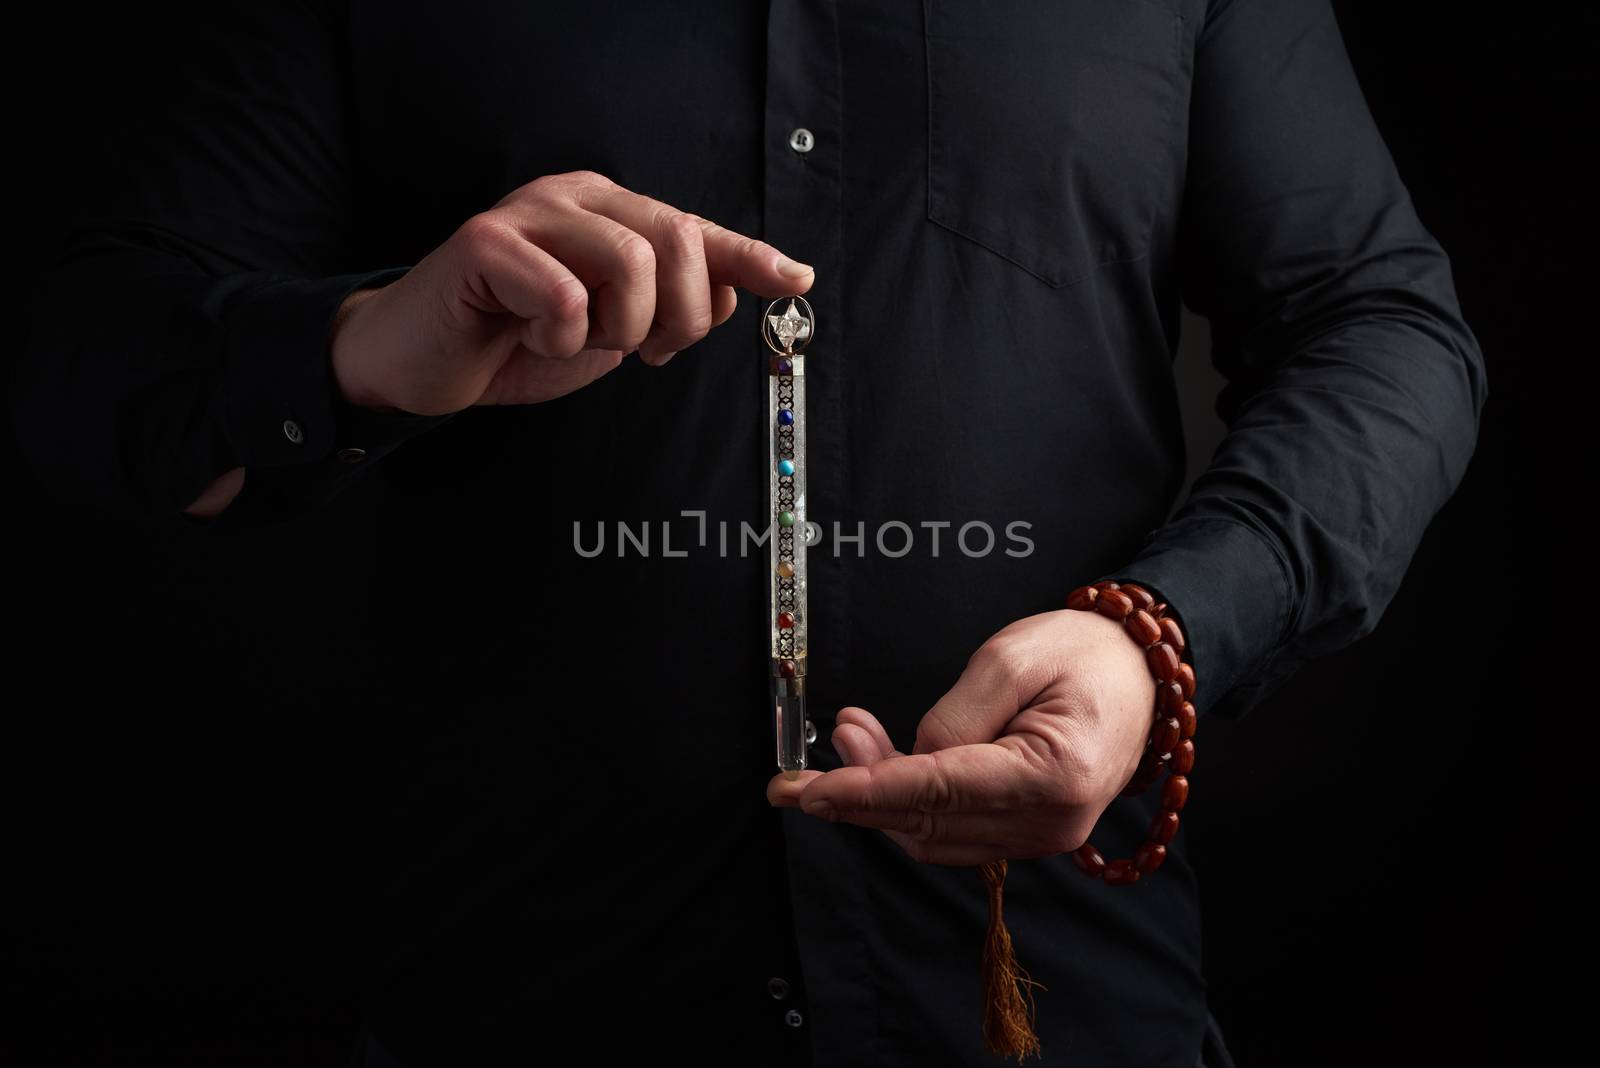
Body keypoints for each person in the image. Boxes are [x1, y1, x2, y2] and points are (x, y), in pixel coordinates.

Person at [11, 1, 1486, 1065]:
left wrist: (1157, 635)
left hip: (1045, 1003)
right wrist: (355, 343)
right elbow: (95, 372)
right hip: (522, 991)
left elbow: (1383, 328)